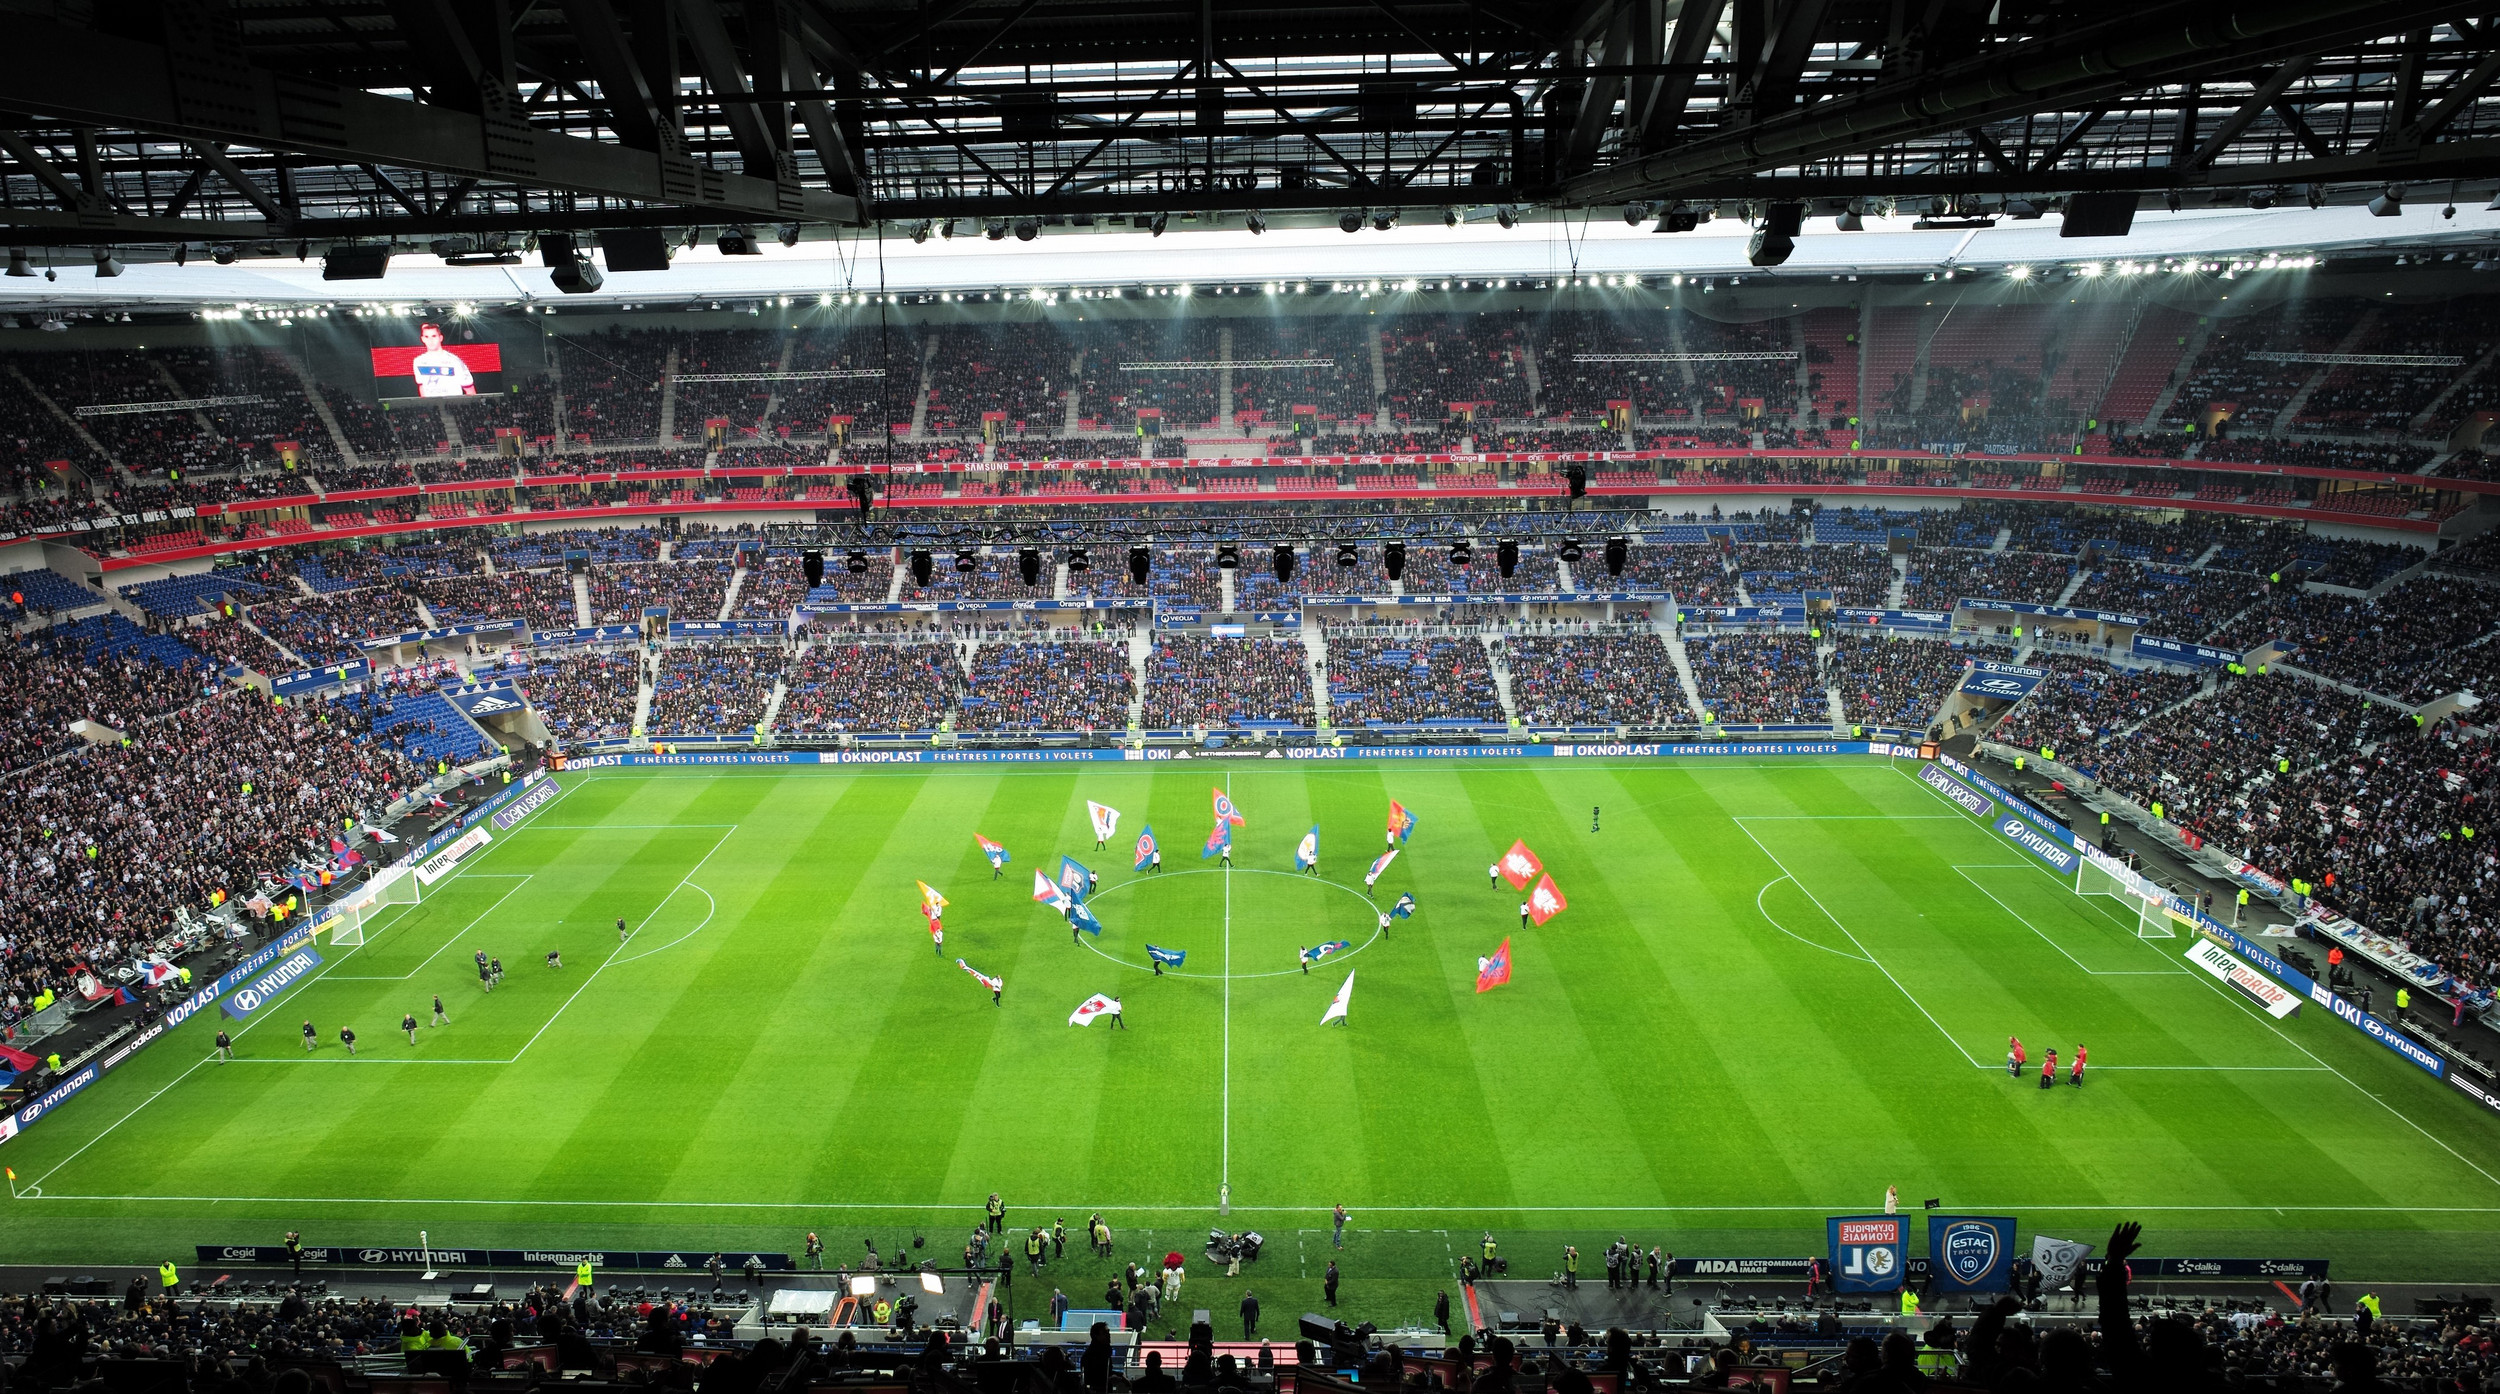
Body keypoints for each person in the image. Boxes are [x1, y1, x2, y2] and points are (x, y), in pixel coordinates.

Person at [409, 322, 479, 397]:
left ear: (440, 338)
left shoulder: (454, 361)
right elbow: (422, 386)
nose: (430, 340)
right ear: (422, 339)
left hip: (452, 405)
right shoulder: (418, 361)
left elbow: (470, 390)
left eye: (434, 336)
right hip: (432, 407)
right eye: (426, 337)